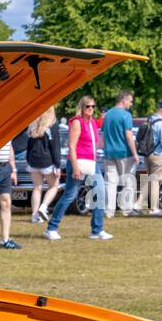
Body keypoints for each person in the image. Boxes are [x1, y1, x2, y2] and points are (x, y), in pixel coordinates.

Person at [45, 97, 110, 241]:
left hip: (92, 163)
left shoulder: (92, 122)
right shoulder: (77, 122)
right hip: (78, 162)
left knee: (100, 194)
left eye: (93, 106)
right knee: (69, 195)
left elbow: (94, 143)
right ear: (82, 106)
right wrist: (75, 167)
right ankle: (51, 228)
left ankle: (97, 230)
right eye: (88, 106)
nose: (91, 109)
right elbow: (72, 146)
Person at [100, 90, 138, 219]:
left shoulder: (107, 115)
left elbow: (103, 134)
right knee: (128, 181)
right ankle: (127, 209)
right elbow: (129, 136)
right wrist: (135, 153)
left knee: (110, 183)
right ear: (124, 100)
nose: (131, 104)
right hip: (124, 153)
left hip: (109, 153)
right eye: (130, 101)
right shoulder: (126, 115)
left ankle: (109, 211)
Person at [24, 108, 62, 224]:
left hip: (33, 160)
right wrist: (58, 164)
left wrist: (28, 159)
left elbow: (28, 145)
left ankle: (34, 216)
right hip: (47, 160)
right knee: (54, 186)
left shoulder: (33, 124)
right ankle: (43, 207)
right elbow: (55, 146)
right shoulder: (52, 124)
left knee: (37, 188)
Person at [139, 99, 162, 216]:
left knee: (149, 180)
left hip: (148, 154)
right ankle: (154, 209)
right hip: (158, 155)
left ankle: (138, 204)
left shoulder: (150, 119)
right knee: (155, 181)